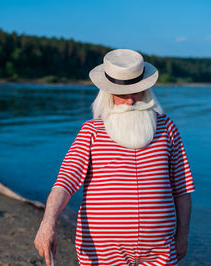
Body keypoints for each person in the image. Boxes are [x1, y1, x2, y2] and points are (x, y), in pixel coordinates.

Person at [34, 49, 195, 266]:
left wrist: (182, 236)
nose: (130, 101)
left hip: (159, 249)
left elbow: (182, 189)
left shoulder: (166, 128)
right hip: (103, 250)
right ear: (108, 93)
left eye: (136, 91)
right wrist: (47, 223)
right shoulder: (92, 131)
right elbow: (65, 181)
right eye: (122, 93)